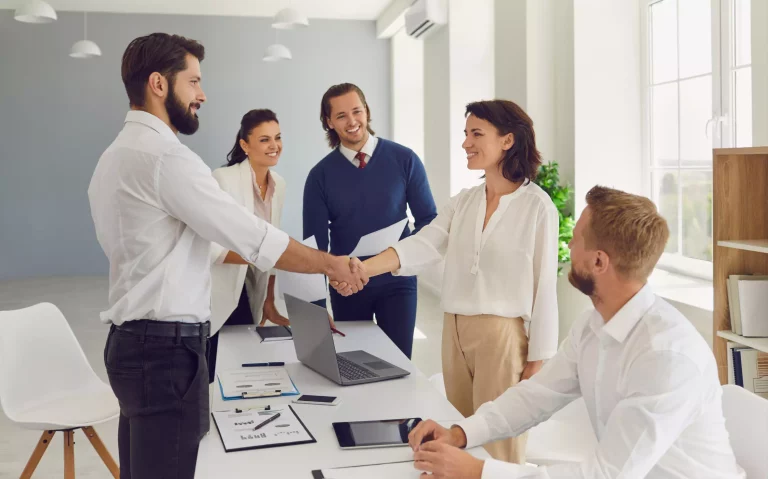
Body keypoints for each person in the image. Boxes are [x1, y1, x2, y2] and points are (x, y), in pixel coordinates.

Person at [88, 34, 366, 479]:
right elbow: (254, 238)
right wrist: (331, 264)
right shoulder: (167, 159)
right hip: (165, 353)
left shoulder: (114, 156)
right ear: (159, 84)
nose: (202, 94)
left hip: (131, 344)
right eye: (193, 81)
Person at [405, 186, 745, 479]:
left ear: (599, 262)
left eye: (576, 239)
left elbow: (603, 476)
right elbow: (534, 396)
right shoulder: (592, 324)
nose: (567, 246)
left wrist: (477, 471)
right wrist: (461, 432)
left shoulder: (666, 357)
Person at [352, 99, 559, 464]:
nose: (466, 142)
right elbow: (424, 243)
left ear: (508, 140)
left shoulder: (537, 207)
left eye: (476, 133)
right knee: (461, 434)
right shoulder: (464, 202)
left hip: (501, 336)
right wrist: (362, 269)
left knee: (499, 445)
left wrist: (538, 360)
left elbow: (545, 288)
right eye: (465, 134)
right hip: (454, 331)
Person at [303, 83, 437, 359]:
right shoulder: (320, 176)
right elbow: (314, 247)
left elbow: (428, 222)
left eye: (357, 111)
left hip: (398, 282)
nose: (352, 121)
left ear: (367, 112)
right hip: (347, 286)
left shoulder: (405, 159)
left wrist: (408, 259)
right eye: (341, 116)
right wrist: (316, 306)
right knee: (355, 362)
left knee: (399, 364)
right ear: (329, 122)